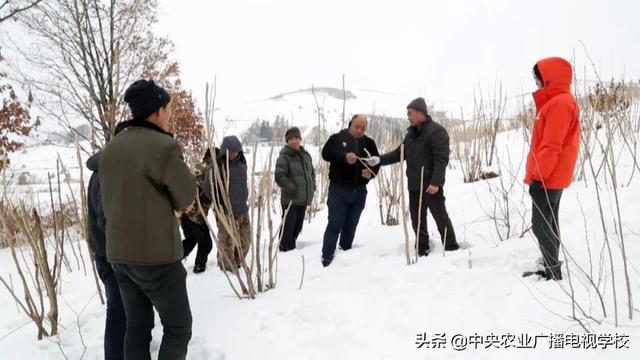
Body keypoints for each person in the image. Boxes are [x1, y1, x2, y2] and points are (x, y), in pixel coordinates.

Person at [99, 79, 196, 360]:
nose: (169, 115)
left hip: (119, 256)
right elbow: (187, 195)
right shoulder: (162, 146)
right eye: (168, 109)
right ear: (157, 111)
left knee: (138, 328)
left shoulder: (112, 148)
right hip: (157, 258)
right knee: (178, 327)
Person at [367, 97, 459, 256]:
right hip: (414, 185)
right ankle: (422, 249)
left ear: (421, 113)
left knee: (440, 216)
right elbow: (399, 153)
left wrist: (436, 182)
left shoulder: (437, 131)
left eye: (410, 113)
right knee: (417, 220)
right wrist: (378, 160)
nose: (408, 116)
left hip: (431, 185)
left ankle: (451, 248)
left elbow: (441, 159)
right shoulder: (411, 135)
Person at [523, 57, 580, 281]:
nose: (536, 82)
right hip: (553, 175)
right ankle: (550, 262)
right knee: (549, 220)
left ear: (548, 78)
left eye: (538, 77)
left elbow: (552, 146)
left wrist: (538, 177)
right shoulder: (557, 102)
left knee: (540, 224)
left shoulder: (559, 104)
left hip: (549, 176)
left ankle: (552, 270)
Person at [85, 121, 130, 360]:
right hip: (110, 255)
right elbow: (109, 219)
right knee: (119, 311)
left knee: (124, 310)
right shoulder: (106, 172)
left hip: (112, 252)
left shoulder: (113, 168)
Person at [320, 115, 379, 267]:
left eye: (362, 128)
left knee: (351, 223)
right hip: (339, 189)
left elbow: (376, 162)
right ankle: (327, 257)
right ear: (350, 124)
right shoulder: (337, 138)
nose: (359, 130)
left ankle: (345, 253)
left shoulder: (369, 143)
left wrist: (370, 172)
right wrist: (344, 157)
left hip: (359, 190)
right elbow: (326, 153)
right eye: (356, 127)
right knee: (335, 223)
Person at [203, 135, 251, 272]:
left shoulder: (242, 163)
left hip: (242, 208)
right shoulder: (216, 167)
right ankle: (227, 268)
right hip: (226, 211)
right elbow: (207, 189)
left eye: (236, 151)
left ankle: (237, 260)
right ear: (225, 151)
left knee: (246, 239)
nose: (234, 154)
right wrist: (219, 204)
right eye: (231, 151)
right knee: (227, 242)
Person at [274, 127, 316, 252]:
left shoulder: (306, 156)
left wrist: (312, 187)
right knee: (288, 229)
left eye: (296, 138)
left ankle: (291, 248)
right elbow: (279, 176)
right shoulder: (284, 157)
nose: (294, 141)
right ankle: (284, 250)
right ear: (287, 141)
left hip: (303, 199)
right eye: (291, 139)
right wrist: (292, 188)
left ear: (300, 139)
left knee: (298, 227)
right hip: (290, 200)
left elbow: (312, 173)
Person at [182, 148, 214, 273]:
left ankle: (172, 261)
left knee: (191, 240)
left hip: (185, 211)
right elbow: (208, 191)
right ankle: (199, 268)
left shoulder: (197, 167)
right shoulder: (209, 170)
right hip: (196, 214)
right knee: (206, 244)